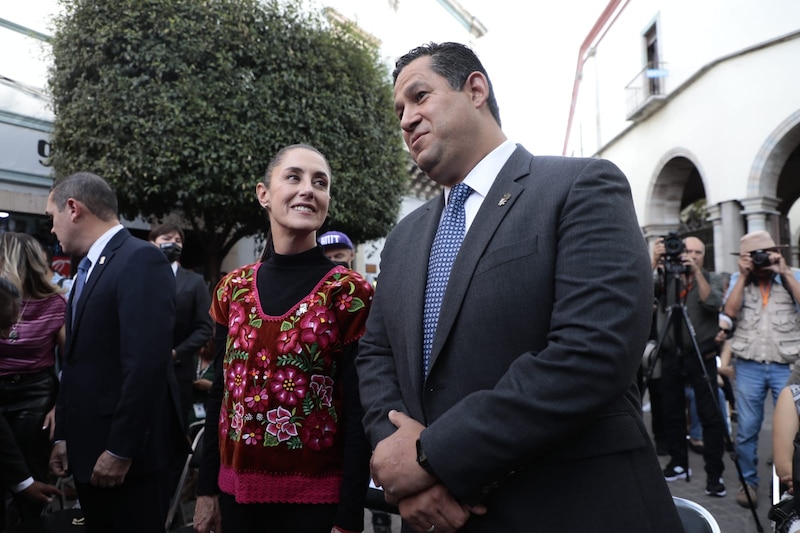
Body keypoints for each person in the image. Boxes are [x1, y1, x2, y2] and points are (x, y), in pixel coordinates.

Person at [356, 41, 682, 532]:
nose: (406, 119)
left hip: (570, 508)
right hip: (434, 518)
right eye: (399, 110)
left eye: (420, 96)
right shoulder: (402, 239)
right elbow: (376, 355)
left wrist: (433, 457)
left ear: (476, 89)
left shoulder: (580, 187)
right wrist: (398, 456)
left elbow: (592, 353)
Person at [193, 144, 374, 533]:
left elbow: (361, 410)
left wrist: (349, 516)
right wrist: (206, 489)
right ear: (264, 194)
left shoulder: (348, 293)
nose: (308, 189)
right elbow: (220, 395)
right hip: (235, 496)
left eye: (320, 182)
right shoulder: (232, 289)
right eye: (293, 177)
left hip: (317, 504)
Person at [45, 172, 188, 532]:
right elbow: (76, 362)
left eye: (52, 217)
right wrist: (64, 434)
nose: (51, 229)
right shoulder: (87, 269)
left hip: (127, 461)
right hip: (89, 452)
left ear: (73, 209)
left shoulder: (140, 259)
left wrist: (121, 449)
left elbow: (146, 365)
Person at [723, 229, 800, 508]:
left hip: (786, 364)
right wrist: (743, 277)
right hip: (748, 366)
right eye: (753, 255)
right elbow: (728, 314)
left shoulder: (793, 275)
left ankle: (792, 485)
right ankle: (748, 484)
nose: (760, 260)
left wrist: (786, 273)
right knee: (746, 428)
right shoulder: (737, 279)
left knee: (794, 430)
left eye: (764, 254)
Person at [651, 236, 726, 497]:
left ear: (704, 255)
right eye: (687, 251)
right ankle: (678, 462)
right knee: (671, 412)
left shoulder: (712, 277)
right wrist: (654, 261)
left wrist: (695, 273)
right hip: (671, 355)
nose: (692, 255)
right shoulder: (666, 276)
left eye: (697, 252)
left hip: (701, 355)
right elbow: (643, 292)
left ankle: (715, 475)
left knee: (710, 415)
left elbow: (713, 303)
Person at [0, 233, 67, 525]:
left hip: (35, 395)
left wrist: (59, 407)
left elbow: (73, 365)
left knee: (29, 486)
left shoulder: (55, 303)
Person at [148, 222, 213, 429]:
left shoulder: (194, 282)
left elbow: (204, 327)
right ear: (152, 244)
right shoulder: (139, 277)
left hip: (178, 371)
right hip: (143, 369)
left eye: (177, 241)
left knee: (172, 430)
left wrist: (177, 353)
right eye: (166, 240)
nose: (173, 244)